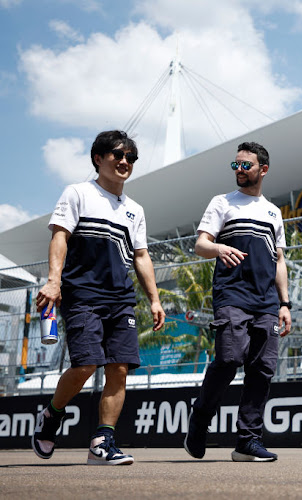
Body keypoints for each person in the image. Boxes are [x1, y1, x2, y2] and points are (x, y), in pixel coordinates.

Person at [32, 130, 165, 465]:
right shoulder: (77, 193)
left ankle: (102, 443)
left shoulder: (135, 209)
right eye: (117, 155)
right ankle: (52, 414)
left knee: (119, 368)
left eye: (130, 158)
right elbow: (60, 236)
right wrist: (53, 281)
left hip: (121, 299)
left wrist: (154, 300)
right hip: (81, 295)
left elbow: (141, 257)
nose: (124, 162)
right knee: (87, 364)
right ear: (98, 159)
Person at [184, 141, 291, 462]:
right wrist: (218, 249)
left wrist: (285, 303)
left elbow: (280, 260)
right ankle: (200, 417)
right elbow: (201, 244)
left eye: (246, 165)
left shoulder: (273, 212)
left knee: (262, 369)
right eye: (236, 165)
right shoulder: (222, 203)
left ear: (263, 170)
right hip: (231, 295)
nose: (240, 170)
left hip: (267, 302)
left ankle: (247, 441)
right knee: (230, 358)